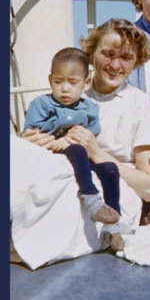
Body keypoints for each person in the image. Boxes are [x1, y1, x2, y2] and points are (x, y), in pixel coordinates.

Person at [14, 19, 150, 265]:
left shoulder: (143, 106)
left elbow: (149, 187)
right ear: (91, 53)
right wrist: (32, 142)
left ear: (136, 61)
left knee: (64, 198)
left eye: (126, 57)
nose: (115, 65)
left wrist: (97, 152)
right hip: (61, 173)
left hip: (112, 190)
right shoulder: (70, 91)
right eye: (108, 54)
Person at [22, 48, 122, 230]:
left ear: (86, 83)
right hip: (51, 156)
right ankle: (90, 197)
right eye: (58, 81)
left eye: (73, 82)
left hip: (82, 161)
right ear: (50, 80)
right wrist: (54, 142)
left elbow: (91, 138)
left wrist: (73, 139)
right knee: (77, 149)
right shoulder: (41, 104)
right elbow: (31, 136)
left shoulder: (90, 109)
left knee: (110, 168)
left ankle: (114, 226)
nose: (65, 88)